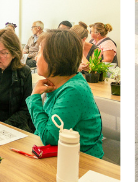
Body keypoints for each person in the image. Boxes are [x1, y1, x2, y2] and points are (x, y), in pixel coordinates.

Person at [27, 29, 103, 158]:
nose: (36, 57)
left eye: (40, 52)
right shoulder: (58, 83)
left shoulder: (73, 90)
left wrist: (34, 98)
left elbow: (49, 137)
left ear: (55, 59)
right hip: (60, 155)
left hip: (81, 161)